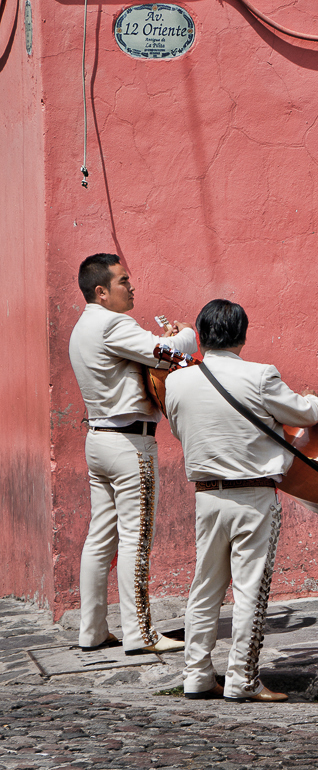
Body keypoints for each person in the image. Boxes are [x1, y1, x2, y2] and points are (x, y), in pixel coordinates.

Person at [164, 299, 318, 702]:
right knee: (250, 588)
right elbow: (304, 414)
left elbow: (182, 431)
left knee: (204, 588)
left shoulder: (177, 381)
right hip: (253, 495)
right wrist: (315, 400)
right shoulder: (260, 375)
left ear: (200, 335)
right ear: (243, 335)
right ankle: (242, 678)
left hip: (207, 495)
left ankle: (197, 675)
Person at [68, 253, 197, 655]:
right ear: (102, 292)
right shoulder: (112, 323)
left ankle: (92, 631)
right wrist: (187, 335)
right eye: (124, 281)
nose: (132, 286)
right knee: (135, 540)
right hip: (128, 443)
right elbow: (168, 353)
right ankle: (140, 633)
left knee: (99, 539)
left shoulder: (82, 327)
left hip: (99, 439)